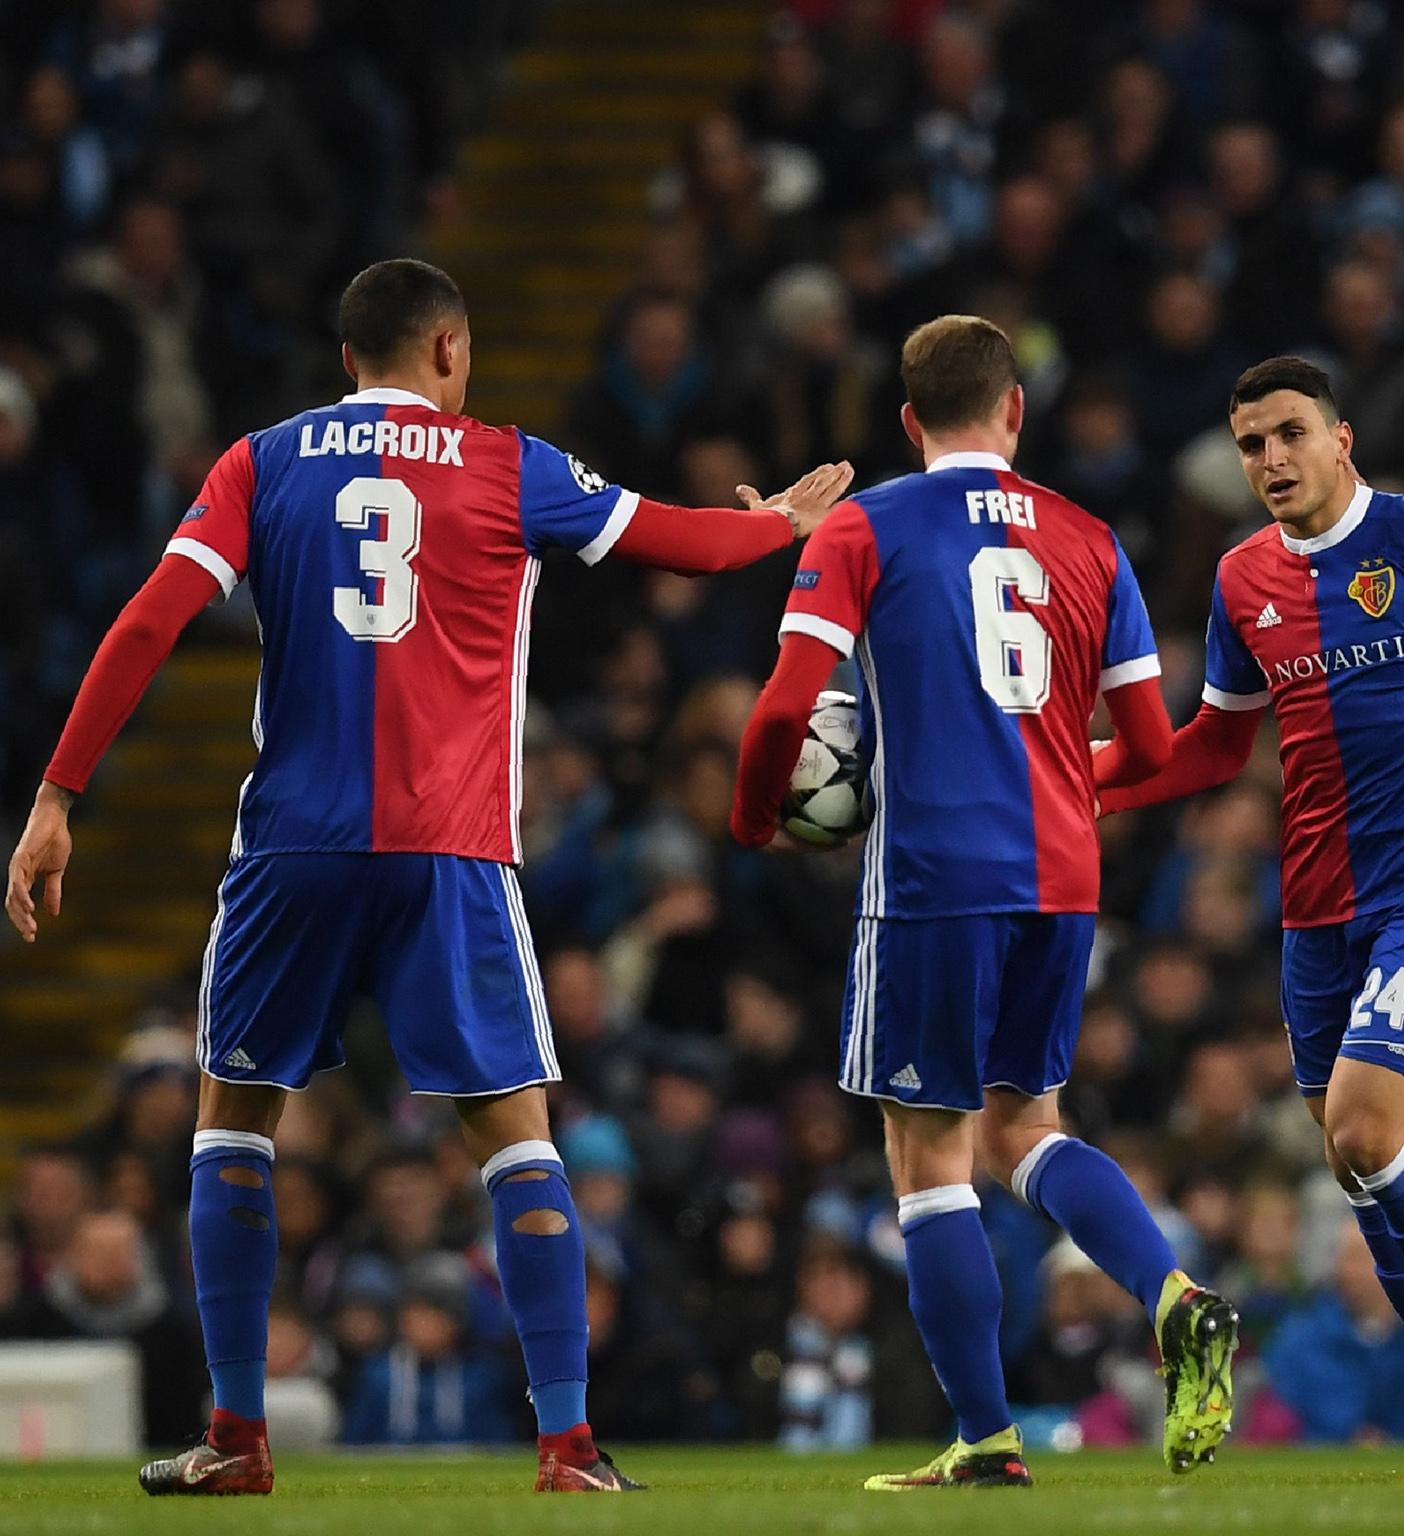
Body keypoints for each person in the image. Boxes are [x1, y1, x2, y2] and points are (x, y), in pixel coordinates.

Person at [4, 257, 852, 1495]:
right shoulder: (509, 464)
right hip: (447, 847)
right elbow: (682, 546)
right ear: (449, 350)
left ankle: (236, 1439)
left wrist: (56, 795)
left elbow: (146, 621)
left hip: (291, 847)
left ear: (350, 359)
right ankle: (566, 1444)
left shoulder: (261, 460)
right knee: (515, 1137)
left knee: (233, 1121)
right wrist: (780, 523)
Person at [729, 314, 1236, 1490]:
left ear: (908, 423)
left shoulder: (866, 524)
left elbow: (778, 710)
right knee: (1026, 1126)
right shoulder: (1089, 539)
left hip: (930, 880)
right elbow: (1152, 748)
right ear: (1016, 410)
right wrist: (1054, 784)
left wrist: (757, 817)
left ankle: (985, 1438)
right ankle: (1171, 1292)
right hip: (1062, 879)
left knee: (929, 1158)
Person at [1097, 355, 1404, 1479]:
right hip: (1311, 904)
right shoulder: (1239, 579)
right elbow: (1218, 744)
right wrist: (1079, 780)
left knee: (1368, 1131)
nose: (1269, 460)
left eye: (1287, 434)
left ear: (1339, 439)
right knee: (1348, 1156)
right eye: (1249, 444)